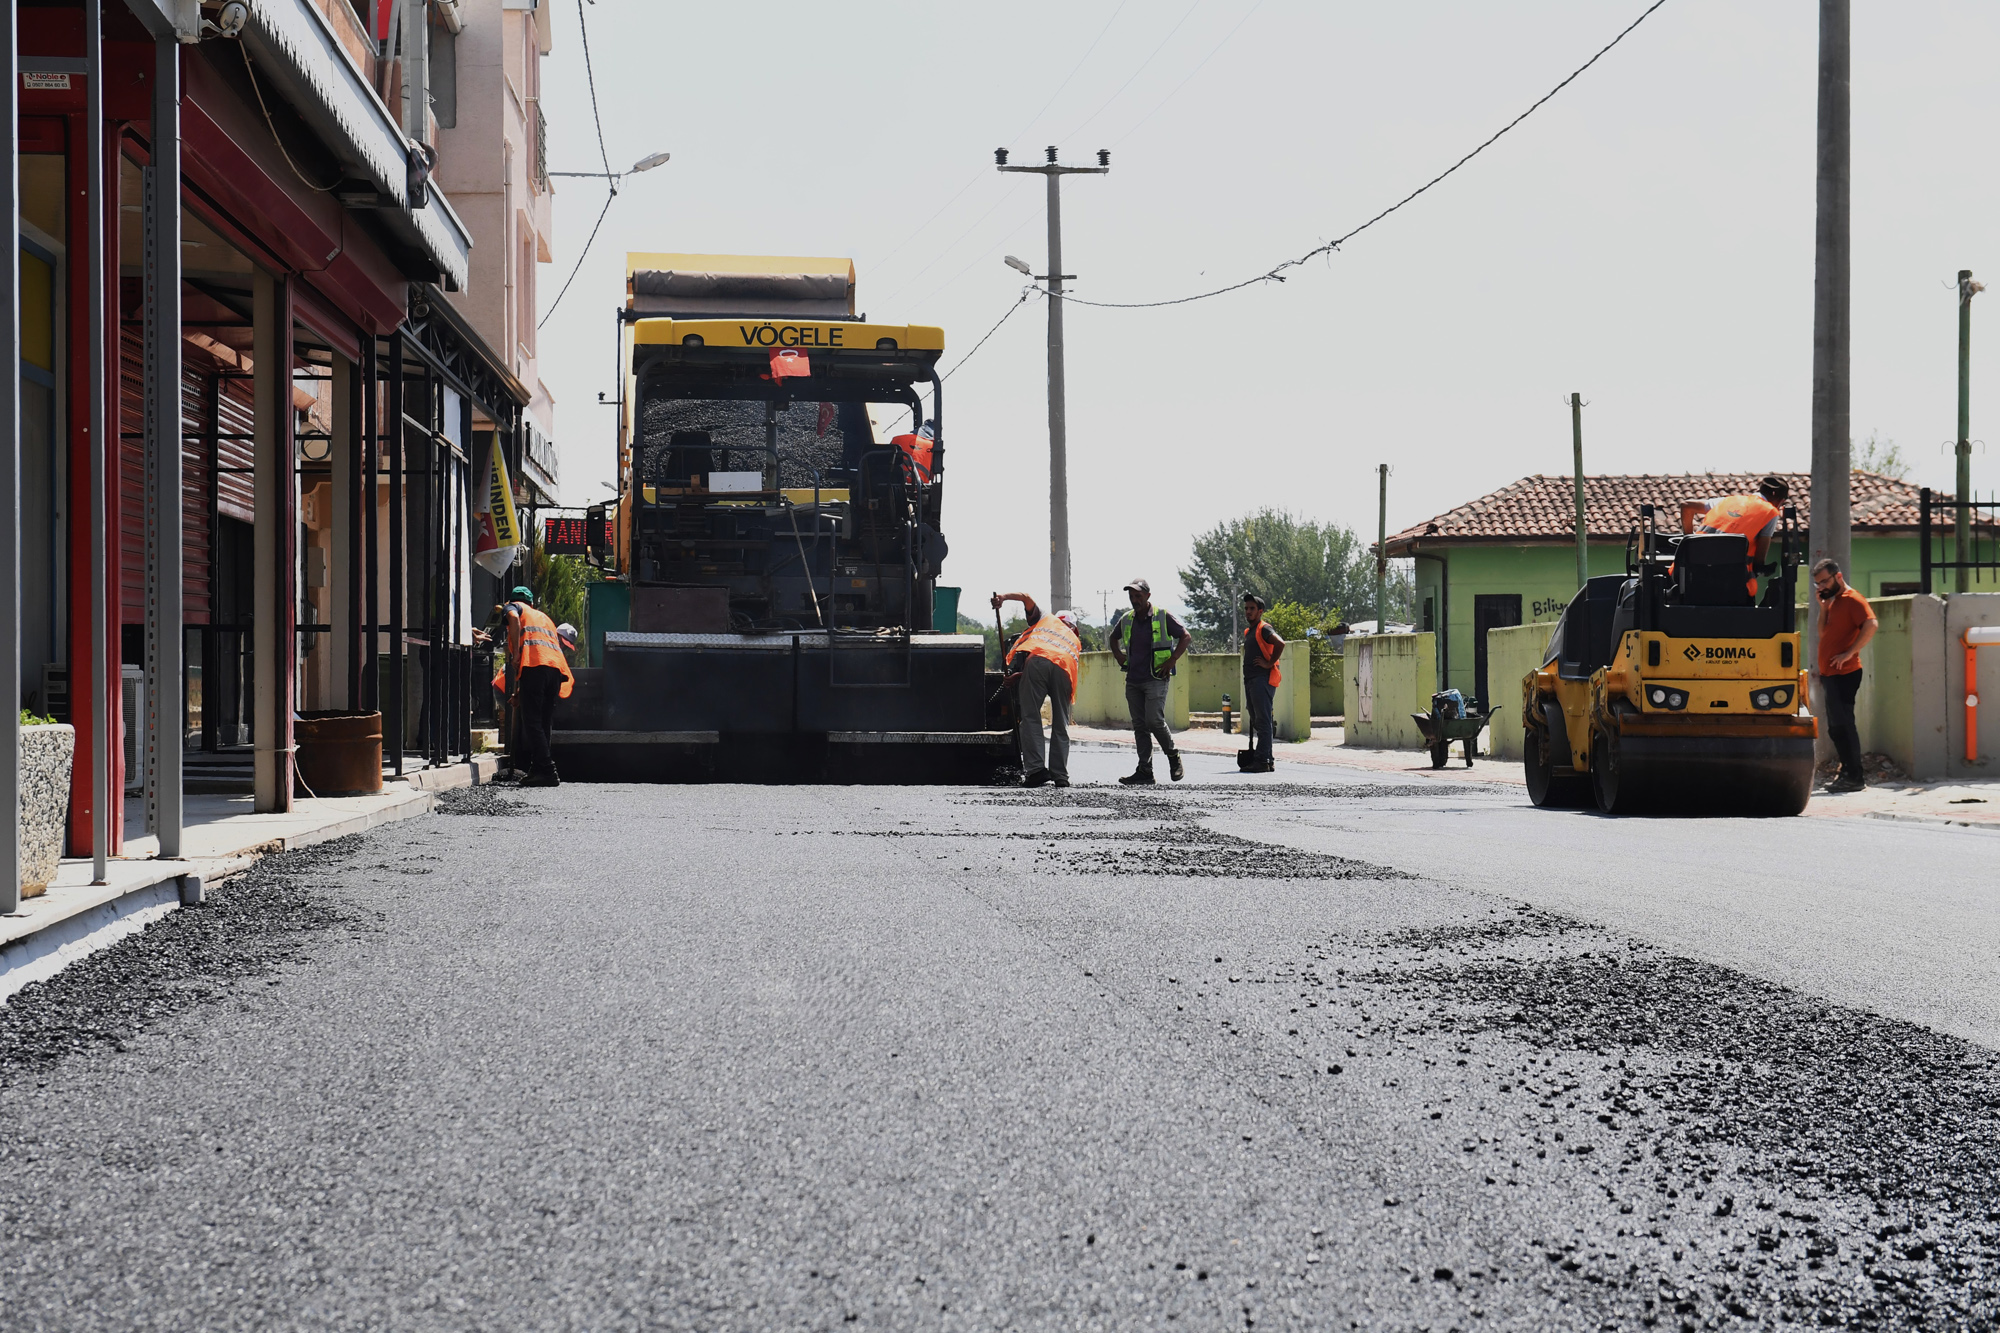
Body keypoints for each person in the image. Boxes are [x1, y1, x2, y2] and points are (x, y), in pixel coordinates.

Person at [478, 586, 574, 786]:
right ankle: (538, 769)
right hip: (554, 670)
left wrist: (516, 654)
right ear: (532, 603)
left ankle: (547, 770)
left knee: (531, 722)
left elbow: (512, 619)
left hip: (535, 667)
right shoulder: (542, 617)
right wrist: (520, 693)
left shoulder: (513, 607)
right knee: (544, 722)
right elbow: (542, 655)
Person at [992, 592, 1080, 788]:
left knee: (1031, 717)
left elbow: (1026, 597)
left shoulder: (1046, 619)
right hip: (1065, 667)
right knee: (1061, 722)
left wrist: (1003, 598)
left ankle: (1036, 770)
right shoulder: (1074, 640)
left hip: (1037, 663)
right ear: (1075, 629)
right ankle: (1060, 776)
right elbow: (1056, 662)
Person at [1109, 578, 1191, 785]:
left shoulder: (1162, 616)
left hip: (1156, 677)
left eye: (1138, 596)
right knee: (1140, 726)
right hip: (1133, 680)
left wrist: (1172, 660)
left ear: (1147, 596)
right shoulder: (1127, 619)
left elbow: (1185, 637)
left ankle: (1173, 757)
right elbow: (1113, 638)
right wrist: (1118, 655)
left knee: (1153, 720)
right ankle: (1145, 770)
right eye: (1131, 596)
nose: (1134, 600)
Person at [1812, 557, 1876, 793]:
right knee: (1836, 727)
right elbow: (1822, 633)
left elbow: (1872, 624)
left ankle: (1854, 776)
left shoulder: (1853, 599)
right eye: (1817, 584)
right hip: (1831, 674)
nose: (1821, 587)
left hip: (1845, 674)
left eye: (1824, 582)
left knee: (1844, 725)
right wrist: (1823, 608)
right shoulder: (1834, 602)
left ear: (1838, 576)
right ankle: (1848, 772)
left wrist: (1850, 653)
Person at [1695, 476, 1788, 597]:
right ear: (1777, 497)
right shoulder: (1769, 511)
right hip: (1731, 586)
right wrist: (1763, 568)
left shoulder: (1728, 501)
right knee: (1752, 587)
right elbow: (1759, 560)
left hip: (1694, 578)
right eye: (1782, 502)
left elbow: (1686, 505)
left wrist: (1687, 537)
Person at [1240, 593, 1285, 773]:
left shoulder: (1264, 628)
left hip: (1262, 680)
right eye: (1246, 609)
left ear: (1260, 612)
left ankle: (1261, 760)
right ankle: (1268, 759)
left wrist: (1269, 663)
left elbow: (1280, 643)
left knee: (1263, 720)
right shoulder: (1249, 631)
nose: (1248, 612)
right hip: (1251, 680)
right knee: (1258, 720)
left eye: (1252, 609)